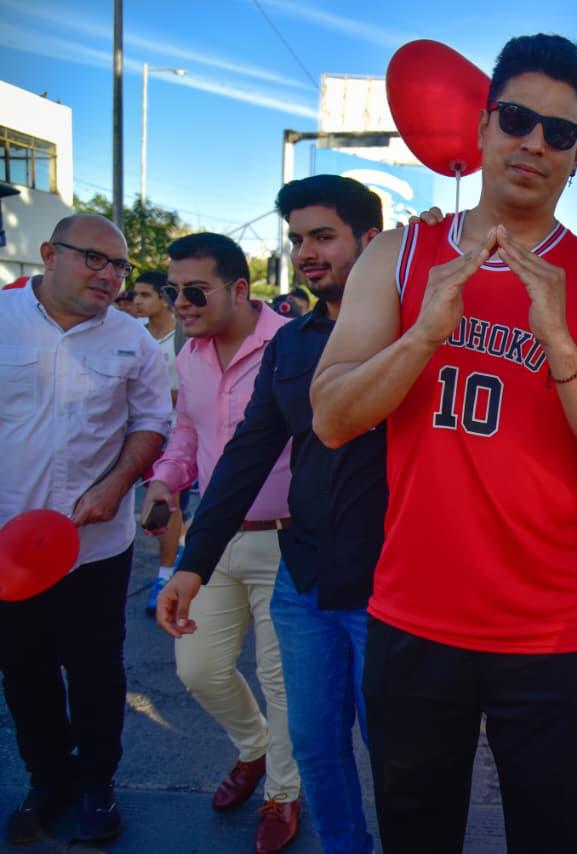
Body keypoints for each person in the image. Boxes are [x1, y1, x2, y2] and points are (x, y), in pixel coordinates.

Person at [309, 34, 577, 852]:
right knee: (416, 836)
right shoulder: (401, 254)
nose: (534, 142)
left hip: (549, 629)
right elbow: (331, 416)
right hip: (413, 617)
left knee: (553, 838)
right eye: (517, 119)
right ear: (483, 124)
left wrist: (559, 341)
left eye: (559, 132)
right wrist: (424, 333)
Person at [157, 174, 387, 853]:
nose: (307, 252)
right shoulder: (293, 345)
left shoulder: (416, 334)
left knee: (400, 752)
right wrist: (193, 562)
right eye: (297, 239)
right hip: (304, 579)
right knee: (314, 747)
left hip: (391, 586)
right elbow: (246, 456)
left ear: (370, 239)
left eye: (324, 236)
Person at [0, 214, 170, 845]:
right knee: (24, 669)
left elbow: (151, 422)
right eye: (93, 259)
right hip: (10, 545)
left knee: (96, 669)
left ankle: (98, 785)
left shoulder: (133, 340)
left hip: (94, 547)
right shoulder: (2, 320)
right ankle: (47, 782)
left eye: (119, 265)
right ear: (49, 254)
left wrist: (116, 485)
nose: (109, 275)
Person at [142, 233, 301, 852]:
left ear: (238, 288)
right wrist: (165, 481)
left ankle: (283, 793)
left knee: (281, 682)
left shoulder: (293, 343)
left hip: (290, 541)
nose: (179, 303)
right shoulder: (190, 354)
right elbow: (186, 430)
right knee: (198, 668)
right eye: (172, 291)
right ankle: (253, 748)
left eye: (194, 291)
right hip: (213, 539)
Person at [134, 270, 189, 616]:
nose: (136, 301)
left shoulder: (182, 336)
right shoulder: (133, 333)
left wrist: (155, 395)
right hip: (136, 434)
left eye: (145, 295)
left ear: (163, 299)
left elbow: (192, 392)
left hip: (174, 435)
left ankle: (164, 576)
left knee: (167, 504)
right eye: (135, 294)